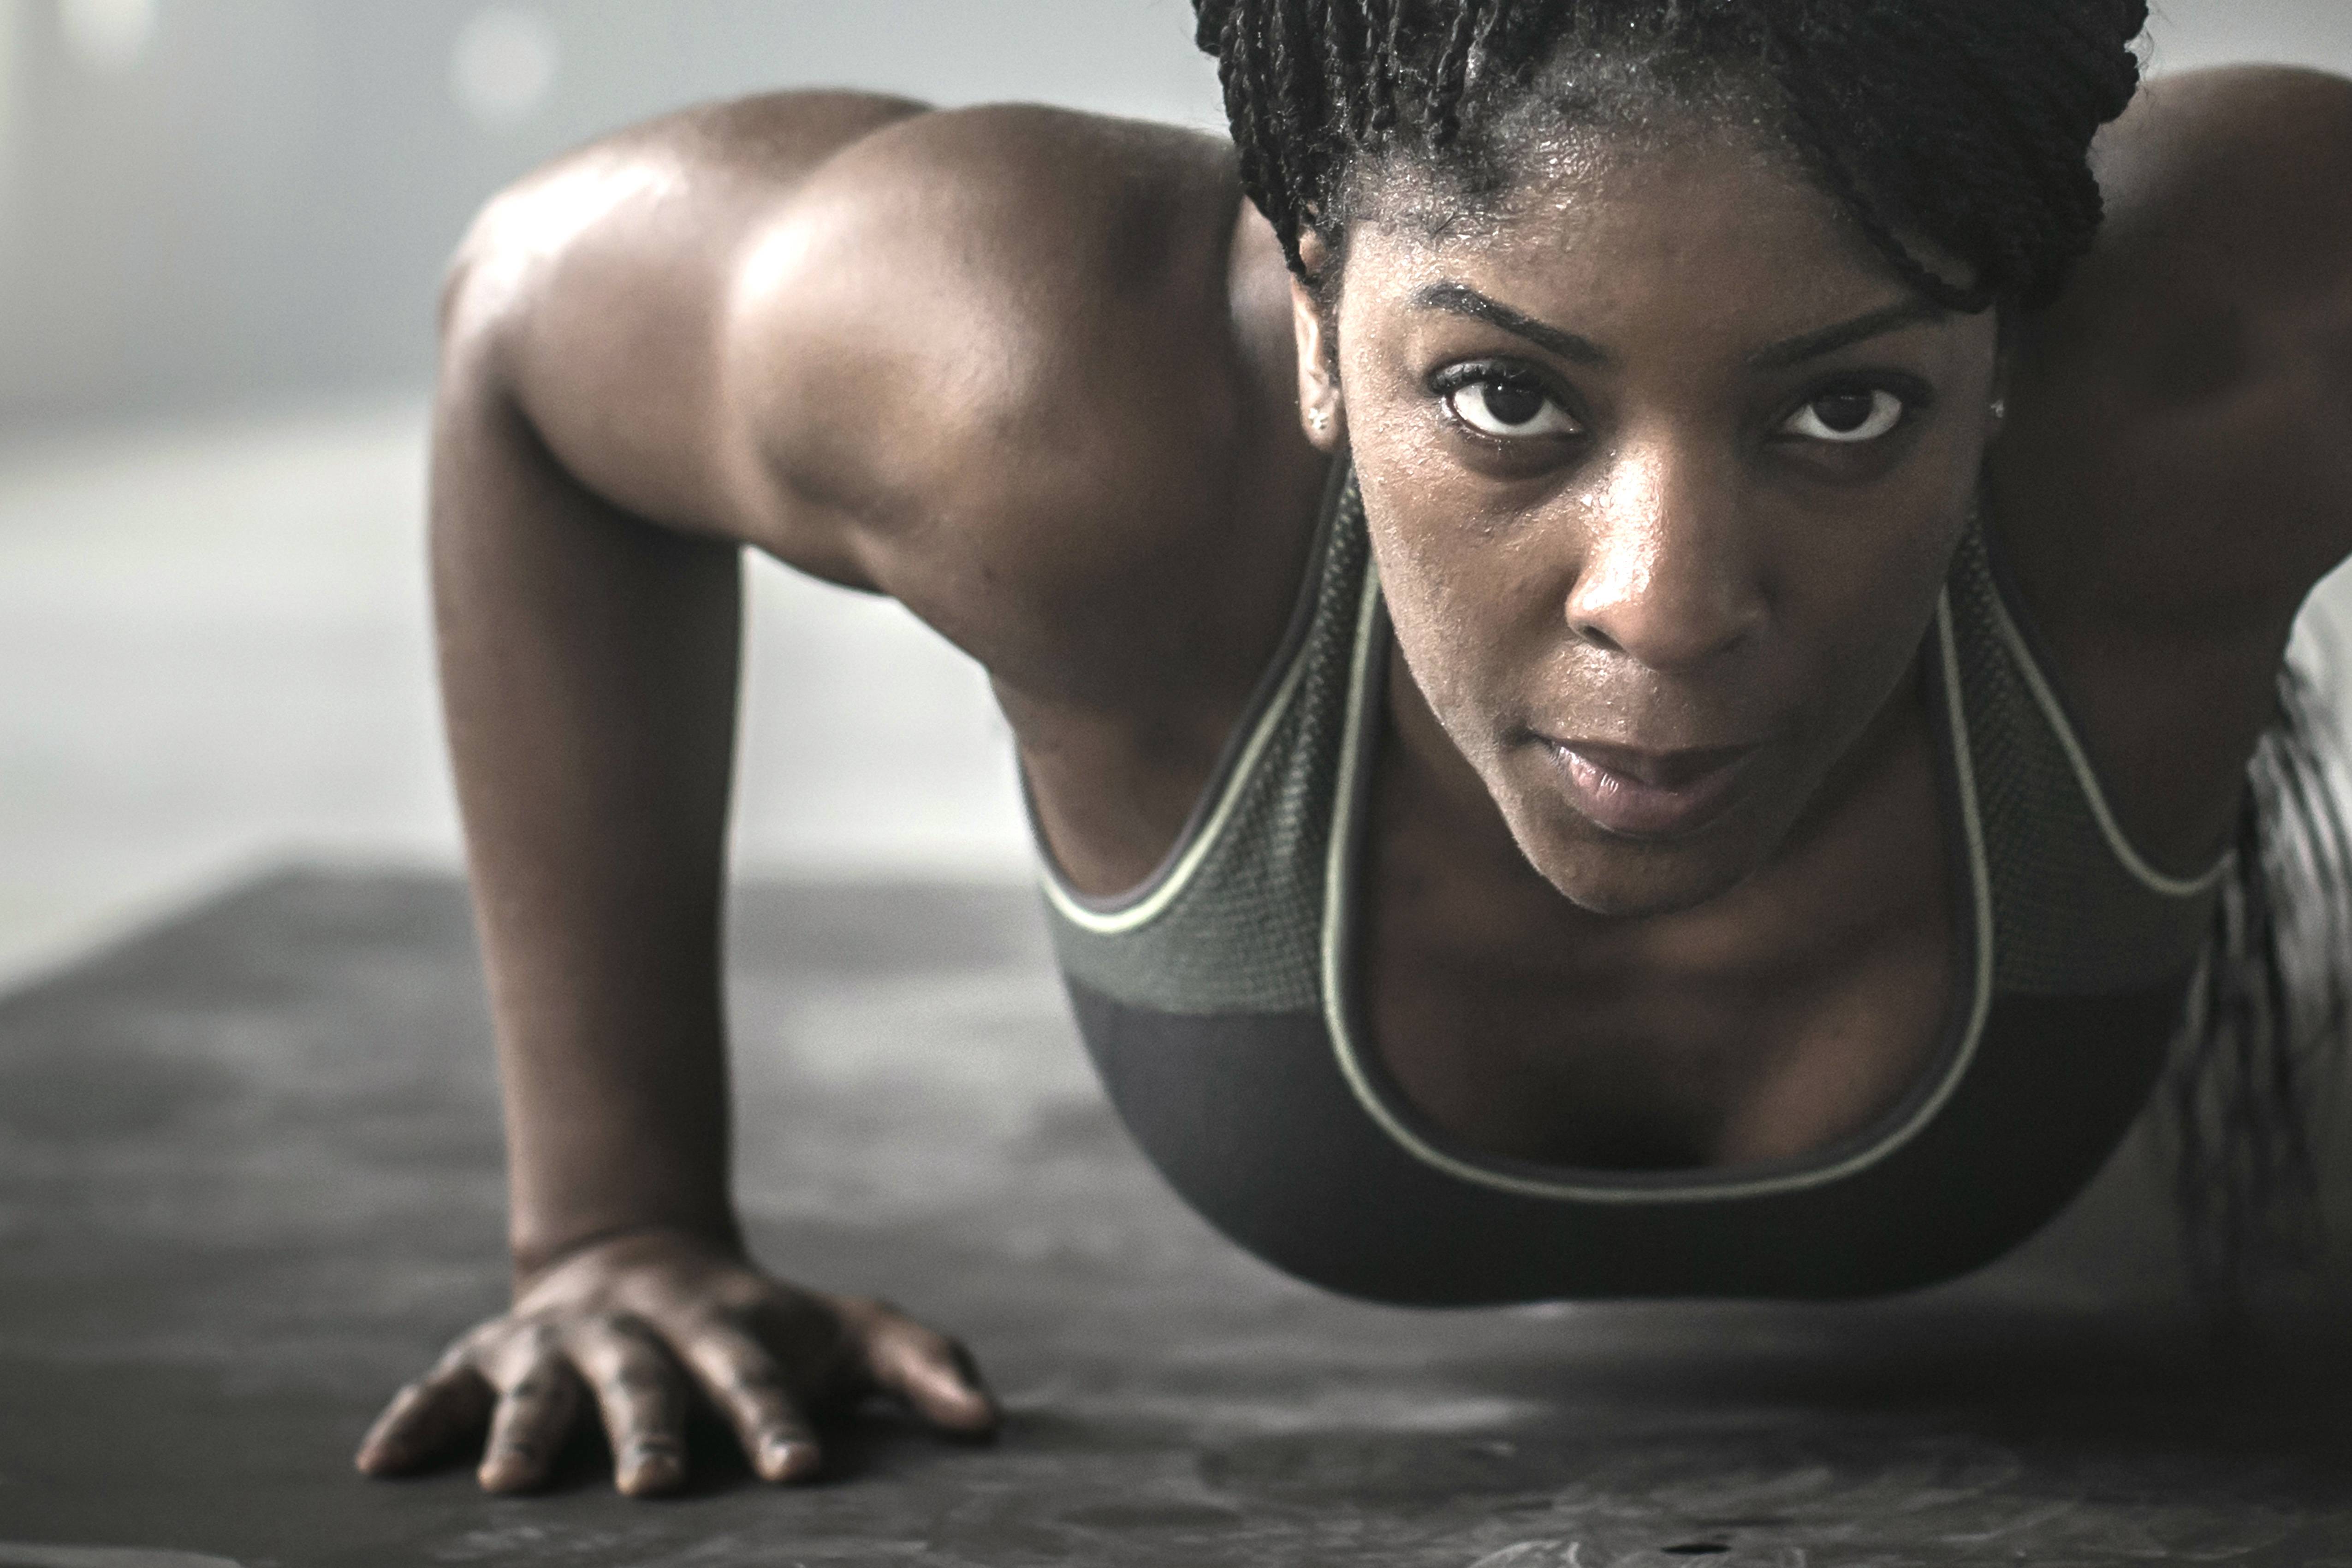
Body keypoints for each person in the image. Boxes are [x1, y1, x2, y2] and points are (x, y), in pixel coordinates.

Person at [353, 0, 2352, 1501]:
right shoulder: (1048, 396)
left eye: (1845, 414)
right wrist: (613, 1221)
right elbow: (531, 330)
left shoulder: (2213, 362)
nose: (1663, 603)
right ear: (1314, 315)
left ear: (2005, 347)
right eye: (1502, 396)